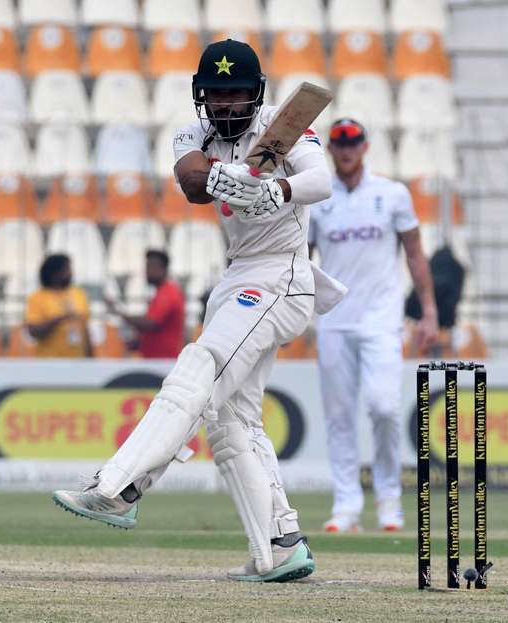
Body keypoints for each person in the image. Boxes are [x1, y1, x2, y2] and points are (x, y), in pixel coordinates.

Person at [53, 39, 346, 582]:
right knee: (232, 420)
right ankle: (280, 549)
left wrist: (278, 190)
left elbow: (321, 181)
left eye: (236, 95)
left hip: (282, 276)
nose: (226, 106)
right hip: (236, 279)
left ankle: (122, 484)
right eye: (216, 95)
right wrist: (224, 180)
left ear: (255, 96)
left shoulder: (283, 128)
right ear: (201, 97)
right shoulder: (194, 135)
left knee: (200, 361)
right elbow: (191, 182)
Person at [308, 118, 439, 534]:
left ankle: (388, 501)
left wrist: (430, 312)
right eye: (339, 144)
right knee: (339, 415)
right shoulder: (318, 199)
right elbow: (298, 257)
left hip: (382, 320)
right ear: (330, 150)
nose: (346, 151)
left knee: (383, 407)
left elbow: (416, 255)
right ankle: (346, 504)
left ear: (365, 147)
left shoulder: (392, 194)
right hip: (334, 321)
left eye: (353, 143)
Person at [106, 249, 185, 359]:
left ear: (163, 269)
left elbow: (151, 323)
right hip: (157, 361)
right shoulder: (162, 292)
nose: (146, 271)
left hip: (163, 361)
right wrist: (139, 343)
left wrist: (120, 313)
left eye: (150, 267)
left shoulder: (168, 293)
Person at [24, 254, 93, 358]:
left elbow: (86, 330)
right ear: (55, 272)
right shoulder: (37, 297)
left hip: (78, 361)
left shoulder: (79, 294)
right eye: (67, 269)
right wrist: (60, 318)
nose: (71, 273)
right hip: (49, 362)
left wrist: (90, 358)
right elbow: (34, 331)